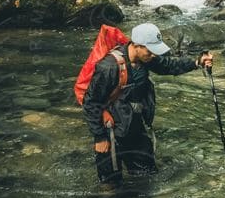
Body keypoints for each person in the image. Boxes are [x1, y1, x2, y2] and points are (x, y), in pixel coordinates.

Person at [83, 21, 213, 189]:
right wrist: (99, 137)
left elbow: (168, 66)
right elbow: (90, 102)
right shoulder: (108, 67)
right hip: (111, 133)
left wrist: (197, 62)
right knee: (110, 188)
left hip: (135, 128)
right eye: (150, 50)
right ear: (137, 45)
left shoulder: (146, 58)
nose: (153, 54)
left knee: (148, 179)